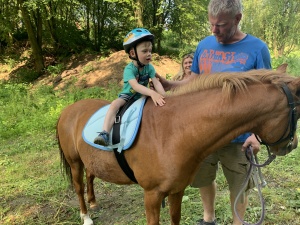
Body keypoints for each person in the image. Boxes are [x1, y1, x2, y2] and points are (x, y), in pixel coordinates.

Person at [156, 0, 271, 224]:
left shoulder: (257, 49)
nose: (214, 30)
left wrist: (256, 135)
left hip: (240, 137)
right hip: (203, 133)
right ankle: (208, 218)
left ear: (237, 19)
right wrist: (169, 85)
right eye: (211, 24)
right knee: (203, 177)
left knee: (239, 185)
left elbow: (265, 96)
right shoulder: (205, 45)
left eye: (221, 25)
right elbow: (194, 81)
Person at [94, 28, 166, 146]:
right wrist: (152, 93)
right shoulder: (129, 69)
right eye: (144, 51)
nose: (149, 54)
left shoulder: (150, 67)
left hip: (143, 96)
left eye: (150, 51)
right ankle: (105, 133)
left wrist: (164, 96)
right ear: (133, 53)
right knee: (114, 105)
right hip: (128, 96)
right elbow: (135, 86)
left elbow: (156, 82)